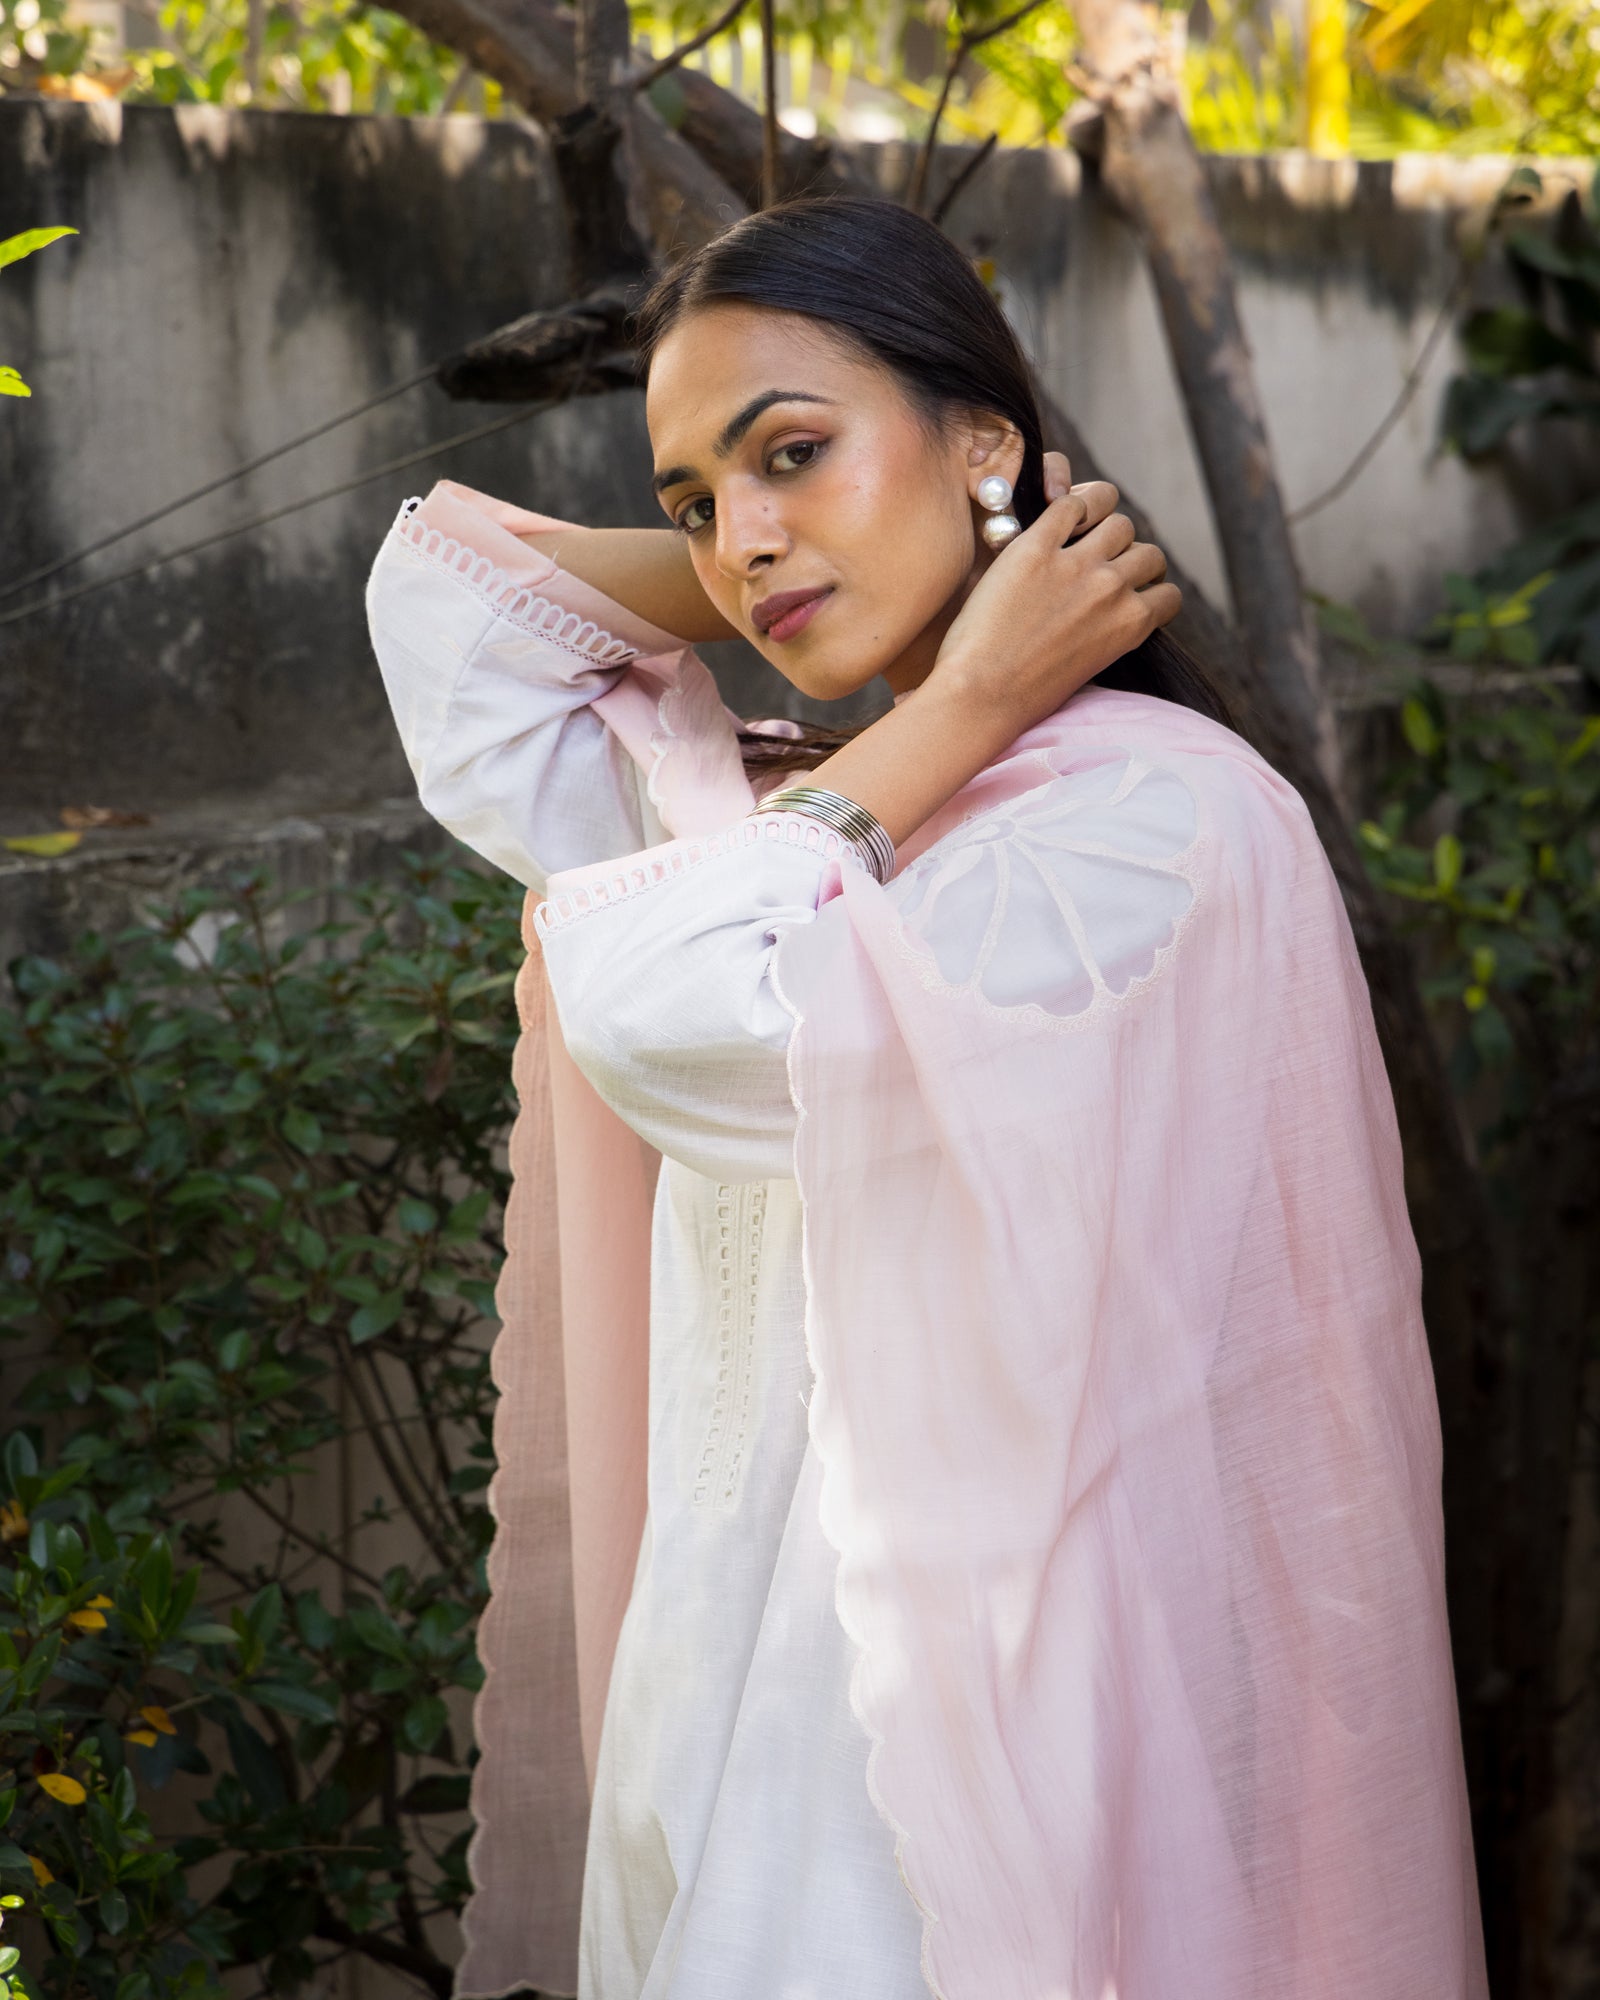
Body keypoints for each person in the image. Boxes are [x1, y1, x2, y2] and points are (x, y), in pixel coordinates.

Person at [367, 196, 1487, 2000]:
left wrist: (956, 671)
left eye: (792, 450)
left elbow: (668, 1013)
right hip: (716, 1698)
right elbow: (457, 625)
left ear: (986, 433)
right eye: (688, 503)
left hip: (926, 1775)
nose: (736, 540)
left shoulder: (1143, 827)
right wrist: (846, 565)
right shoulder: (819, 799)